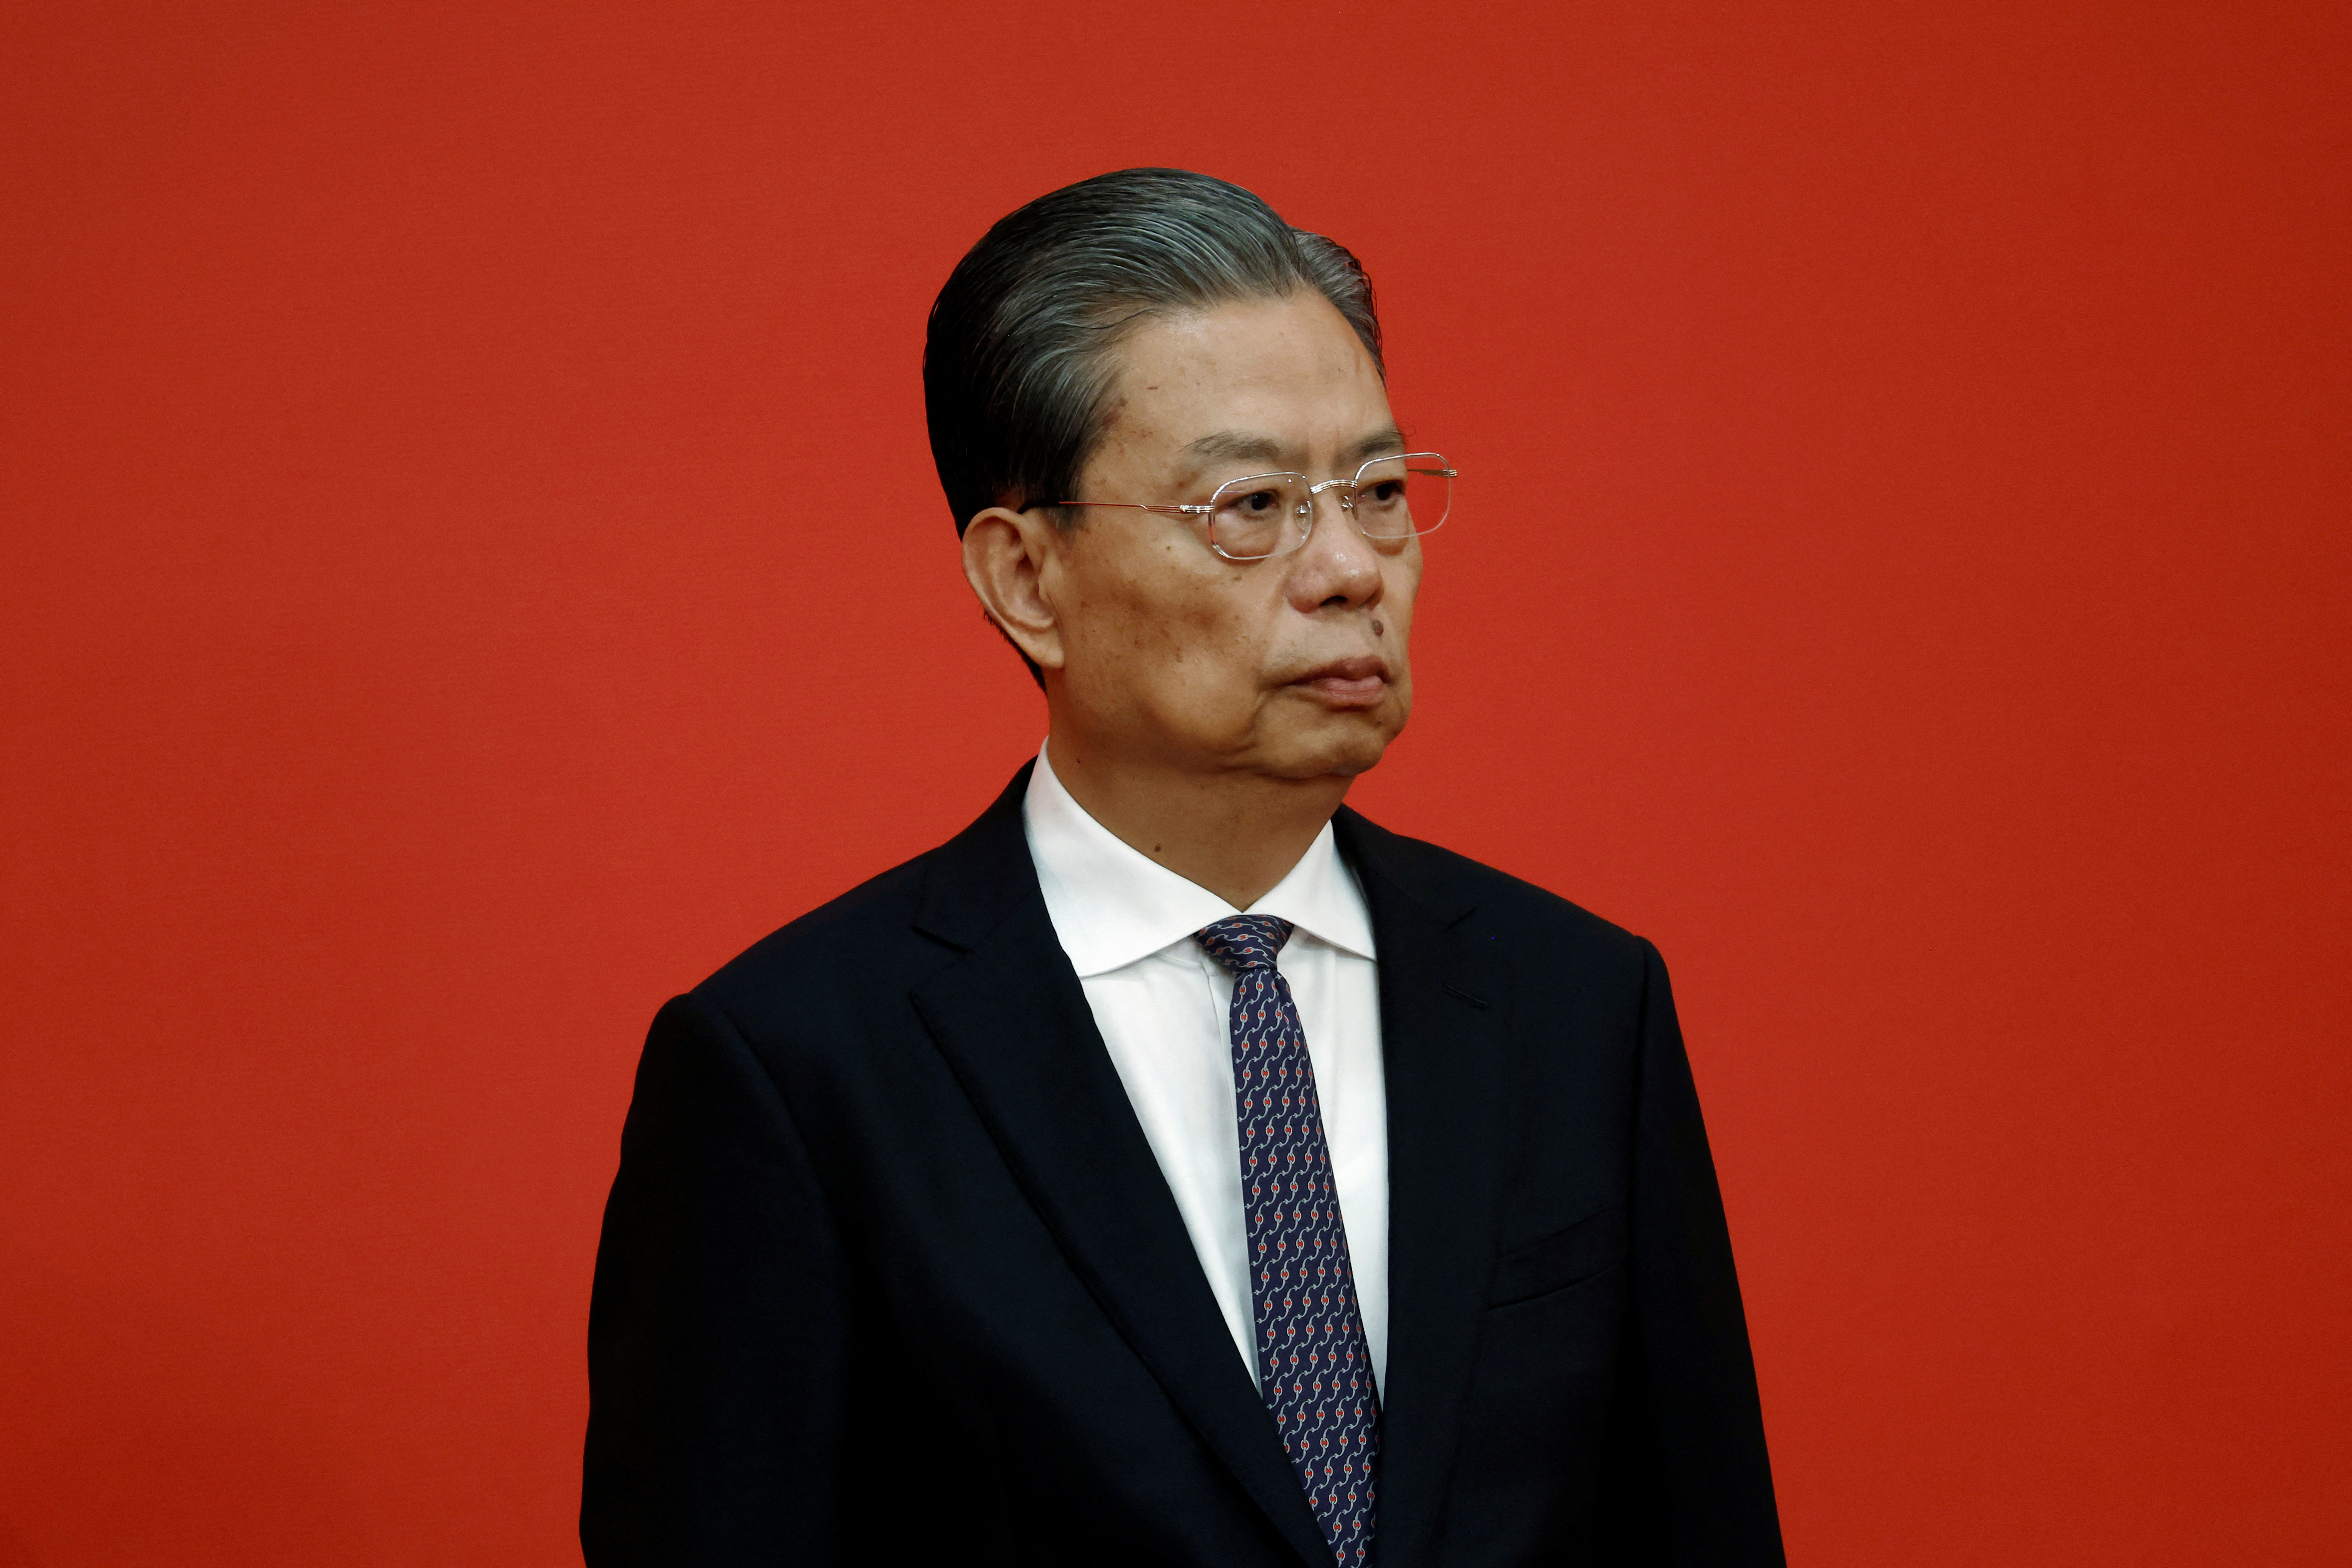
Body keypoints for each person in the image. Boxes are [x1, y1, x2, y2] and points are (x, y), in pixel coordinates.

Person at [582, 167, 1783, 1567]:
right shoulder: (795, 1074)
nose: (1350, 568)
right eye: (1251, 504)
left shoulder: (1581, 1004)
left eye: (1380, 491)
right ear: (1029, 580)